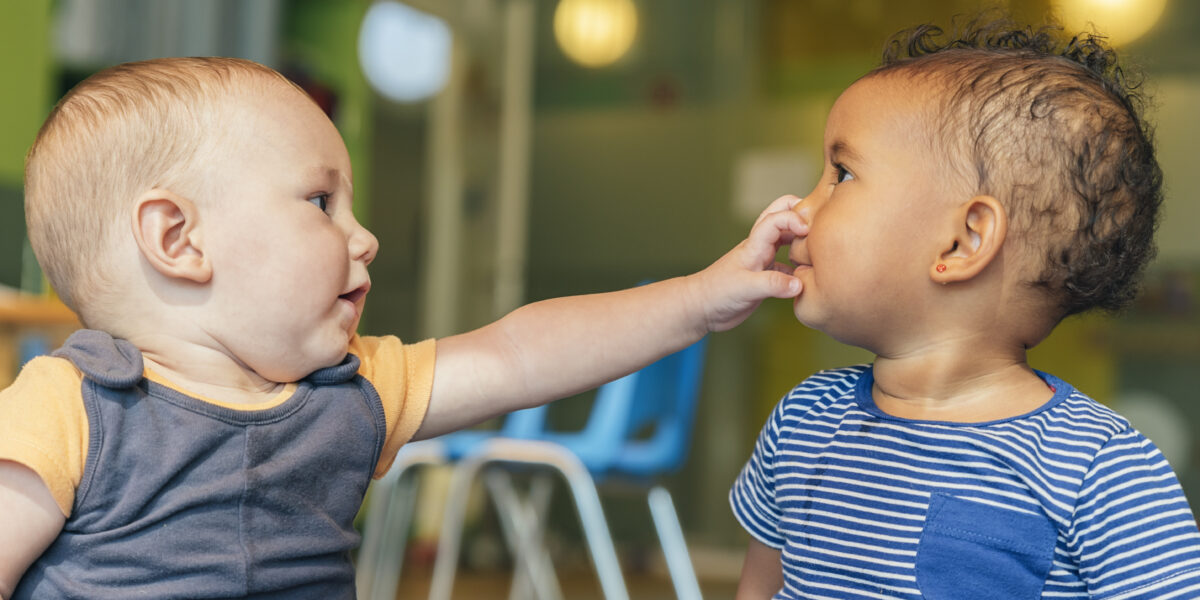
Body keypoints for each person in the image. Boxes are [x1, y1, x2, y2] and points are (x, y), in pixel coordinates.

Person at [0, 56, 810, 599]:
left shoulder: (352, 390)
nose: (365, 237)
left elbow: (520, 355)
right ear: (178, 239)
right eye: (322, 202)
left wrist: (698, 298)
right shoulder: (69, 409)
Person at [729, 16, 1200, 600]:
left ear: (963, 241)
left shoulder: (1097, 468)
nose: (797, 210)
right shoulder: (804, 422)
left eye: (841, 175)